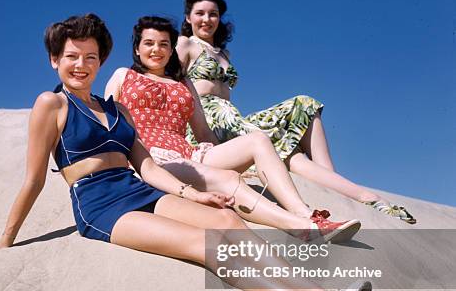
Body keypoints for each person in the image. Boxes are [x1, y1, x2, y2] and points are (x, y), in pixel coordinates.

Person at [0, 13, 380, 291]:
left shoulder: (116, 110)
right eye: (71, 56)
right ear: (55, 59)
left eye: (90, 57)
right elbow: (34, 179)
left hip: (136, 188)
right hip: (100, 205)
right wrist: (6, 239)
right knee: (205, 244)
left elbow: (148, 167)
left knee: (227, 218)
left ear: (100, 61)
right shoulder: (51, 104)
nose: (81, 65)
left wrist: (193, 195)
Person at [105, 16, 361, 243]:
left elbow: (203, 132)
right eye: (149, 43)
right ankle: (301, 228)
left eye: (163, 44)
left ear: (172, 50)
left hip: (190, 153)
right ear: (137, 49)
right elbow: (109, 125)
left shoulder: (183, 83)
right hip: (151, 158)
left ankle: (303, 212)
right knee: (228, 180)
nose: (156, 49)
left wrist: (226, 159)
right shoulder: (122, 75)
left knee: (258, 140)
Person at [176, 0, 416, 224]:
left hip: (233, 121)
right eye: (200, 13)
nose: (207, 19)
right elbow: (170, 86)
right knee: (284, 149)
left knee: (304, 104)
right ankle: (365, 197)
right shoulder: (185, 44)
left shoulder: (224, 53)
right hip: (207, 124)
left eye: (213, 14)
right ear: (189, 17)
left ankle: (333, 181)